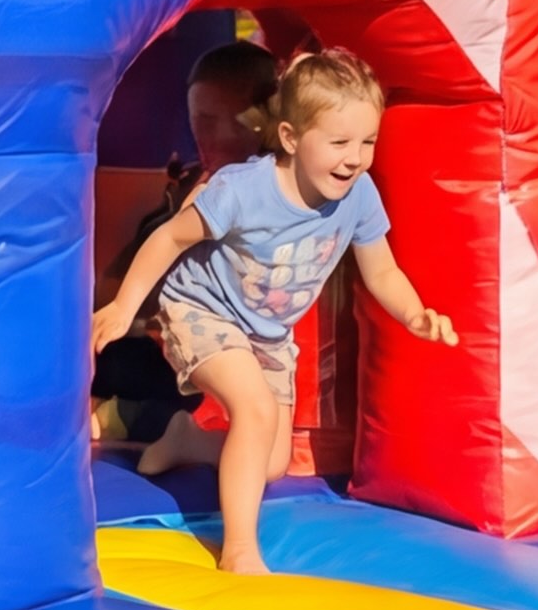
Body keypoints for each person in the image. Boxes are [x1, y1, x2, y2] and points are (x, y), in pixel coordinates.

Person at [92, 51, 455, 577]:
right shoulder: (244, 190)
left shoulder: (358, 196)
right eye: (339, 143)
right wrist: (125, 307)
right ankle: (239, 549)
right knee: (255, 411)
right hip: (201, 309)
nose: (355, 158)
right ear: (290, 137)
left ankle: (189, 439)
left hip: (267, 333)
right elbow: (170, 237)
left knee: (271, 461)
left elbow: (382, 272)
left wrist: (415, 313)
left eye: (368, 142)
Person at [96, 38, 278, 452]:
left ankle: (123, 417)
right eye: (197, 121)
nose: (202, 136)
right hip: (172, 344)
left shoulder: (259, 189)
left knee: (189, 396)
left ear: (260, 123)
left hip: (218, 360)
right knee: (95, 358)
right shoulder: (198, 180)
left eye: (212, 122)